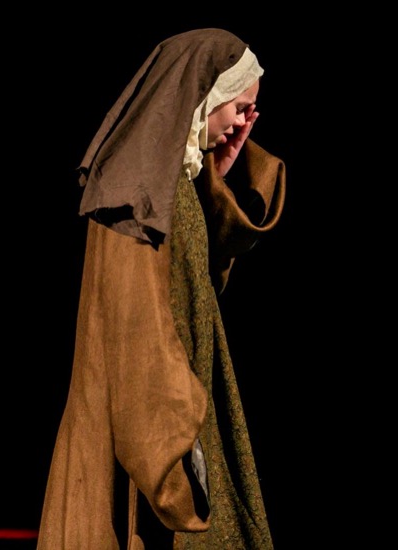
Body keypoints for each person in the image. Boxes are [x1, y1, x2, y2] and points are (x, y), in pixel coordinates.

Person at [37, 28, 285, 549]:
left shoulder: (171, 181)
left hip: (176, 418)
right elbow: (138, 336)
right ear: (204, 95)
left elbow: (195, 287)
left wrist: (216, 178)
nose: (243, 121)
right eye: (238, 106)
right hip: (152, 438)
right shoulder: (136, 192)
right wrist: (174, 452)